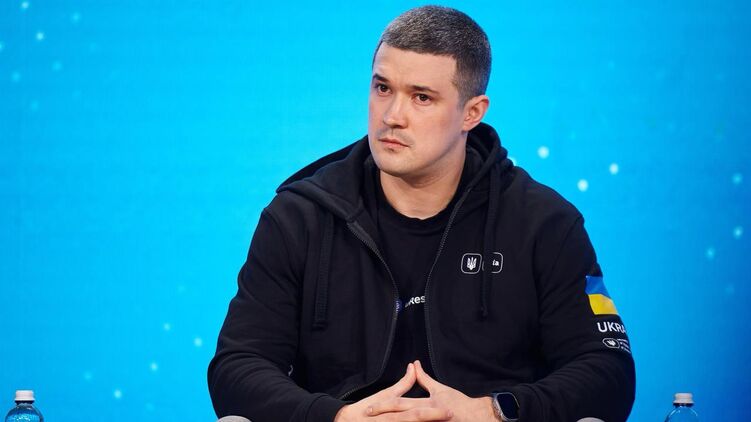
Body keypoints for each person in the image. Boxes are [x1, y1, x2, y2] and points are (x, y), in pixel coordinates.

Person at [208, 5, 635, 421]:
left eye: (422, 97)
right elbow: (237, 365)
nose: (393, 117)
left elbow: (607, 371)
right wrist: (338, 417)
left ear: (472, 113)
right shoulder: (298, 217)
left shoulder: (545, 223)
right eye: (383, 88)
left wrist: (493, 410)